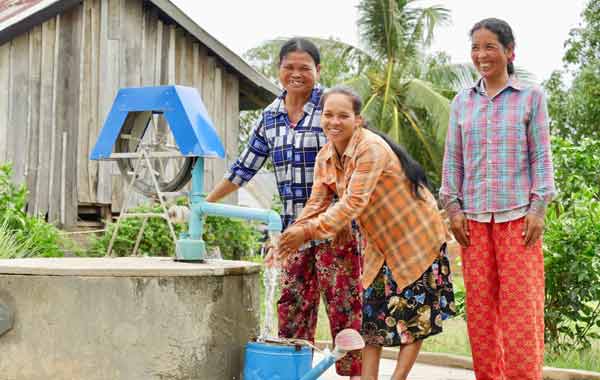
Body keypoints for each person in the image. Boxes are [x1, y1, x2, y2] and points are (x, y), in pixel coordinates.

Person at [205, 38, 362, 378]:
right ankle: (295, 374)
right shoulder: (270, 117)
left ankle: (355, 375)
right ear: (279, 70)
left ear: (318, 71)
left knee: (345, 310)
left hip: (336, 230)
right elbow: (242, 170)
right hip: (292, 232)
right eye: (289, 67)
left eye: (304, 68)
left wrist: (348, 217)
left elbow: (355, 164)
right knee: (291, 310)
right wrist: (205, 205)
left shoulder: (331, 110)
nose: (296, 74)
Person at [277, 87, 455, 380]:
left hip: (416, 237)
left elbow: (352, 203)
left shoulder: (369, 148)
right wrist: (293, 233)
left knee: (414, 318)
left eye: (343, 115)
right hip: (379, 241)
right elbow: (317, 202)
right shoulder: (326, 156)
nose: (334, 121)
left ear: (357, 120)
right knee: (371, 320)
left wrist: (307, 231)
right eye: (328, 115)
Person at [440, 18, 556, 380]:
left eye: (490, 46)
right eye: (476, 47)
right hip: (472, 222)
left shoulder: (530, 97)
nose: (481, 54)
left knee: (522, 311)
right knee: (480, 312)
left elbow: (541, 156)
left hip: (518, 220)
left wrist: (538, 208)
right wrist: (453, 208)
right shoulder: (462, 102)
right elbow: (453, 159)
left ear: (509, 51)